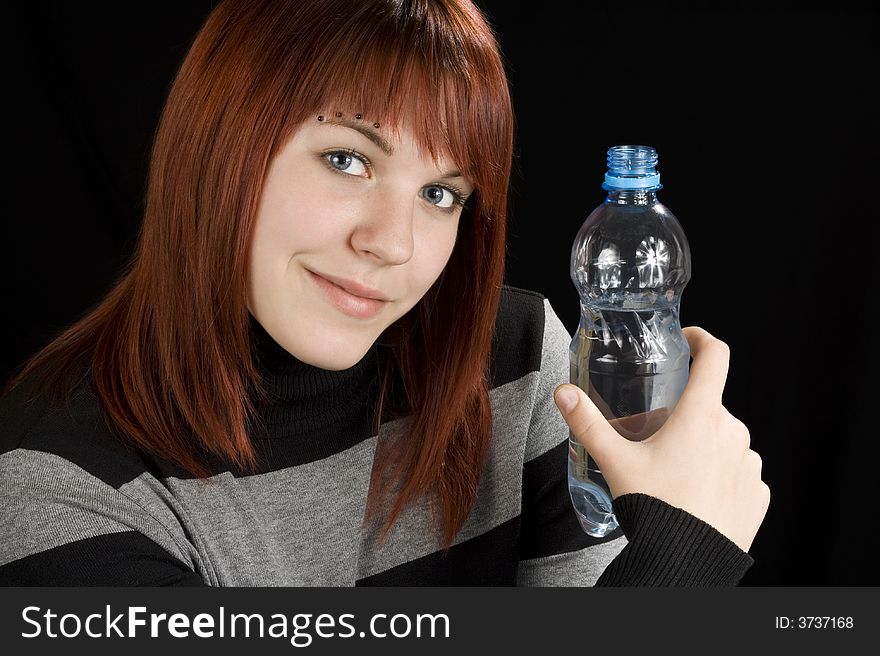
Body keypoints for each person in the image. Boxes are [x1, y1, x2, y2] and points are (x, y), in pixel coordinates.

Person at [0, 0, 768, 586]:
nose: (392, 243)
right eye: (346, 158)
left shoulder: (521, 362)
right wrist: (681, 564)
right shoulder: (58, 488)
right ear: (217, 143)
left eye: (441, 193)